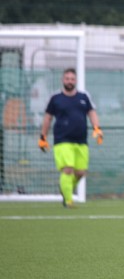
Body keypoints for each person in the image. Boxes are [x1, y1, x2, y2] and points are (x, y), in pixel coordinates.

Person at [39, 68, 103, 208]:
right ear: (63, 80)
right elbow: (48, 118)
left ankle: (65, 188)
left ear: (76, 81)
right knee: (67, 169)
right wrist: (43, 137)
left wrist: (97, 128)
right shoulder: (55, 98)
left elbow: (91, 113)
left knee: (80, 173)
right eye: (67, 78)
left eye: (72, 79)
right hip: (62, 141)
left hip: (81, 141)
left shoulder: (84, 97)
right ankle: (68, 201)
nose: (69, 81)